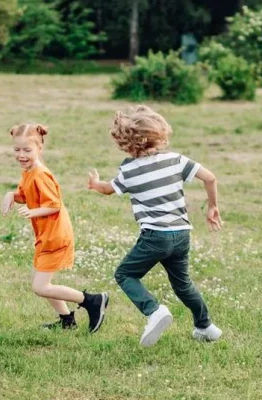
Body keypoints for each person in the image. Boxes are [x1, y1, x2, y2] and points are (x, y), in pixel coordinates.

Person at [87, 105, 223, 347]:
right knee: (183, 283)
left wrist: (95, 184)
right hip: (181, 233)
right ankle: (205, 327)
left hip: (155, 236)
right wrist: (212, 206)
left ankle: (154, 311)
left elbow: (108, 190)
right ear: (159, 134)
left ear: (125, 141)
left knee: (125, 274)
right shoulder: (176, 160)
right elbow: (210, 177)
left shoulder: (128, 170)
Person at [2, 123, 108, 332]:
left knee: (40, 287)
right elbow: (25, 196)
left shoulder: (41, 174)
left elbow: (53, 205)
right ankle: (67, 321)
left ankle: (93, 301)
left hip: (55, 235)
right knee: (40, 282)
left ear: (40, 148)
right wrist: (10, 195)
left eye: (27, 150)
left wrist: (33, 212)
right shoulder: (29, 171)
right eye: (17, 150)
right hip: (46, 234)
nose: (21, 155)